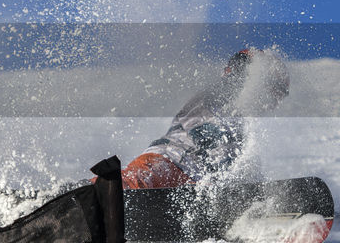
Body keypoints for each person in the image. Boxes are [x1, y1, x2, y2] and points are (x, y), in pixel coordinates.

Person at [120, 47, 289, 190]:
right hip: (169, 162)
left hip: (190, 184)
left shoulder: (243, 124)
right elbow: (205, 134)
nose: (275, 102)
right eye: (274, 91)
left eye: (281, 95)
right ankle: (99, 195)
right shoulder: (217, 97)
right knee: (132, 184)